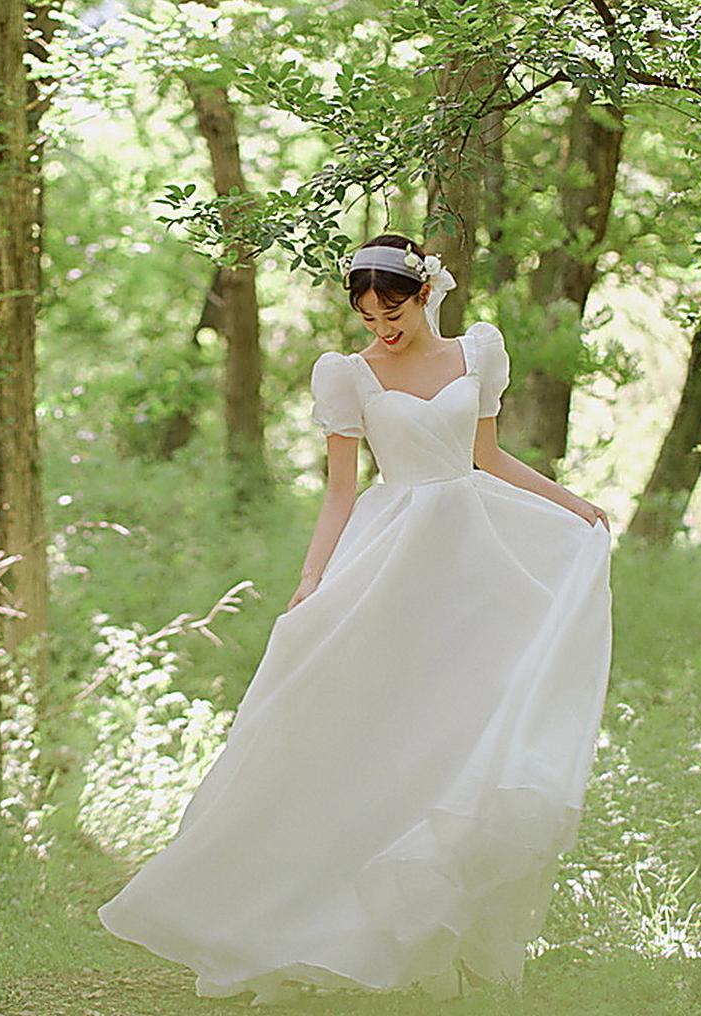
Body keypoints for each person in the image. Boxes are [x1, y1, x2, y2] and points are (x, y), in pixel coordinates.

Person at [98, 234, 614, 1004]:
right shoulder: (349, 375)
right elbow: (340, 491)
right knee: (372, 724)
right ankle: (307, 917)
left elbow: (490, 458)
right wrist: (313, 580)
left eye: (393, 312)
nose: (381, 327)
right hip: (393, 555)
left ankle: (439, 924)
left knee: (459, 725)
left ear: (425, 293)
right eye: (368, 316)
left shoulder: (476, 353)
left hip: (471, 558)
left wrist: (573, 505)